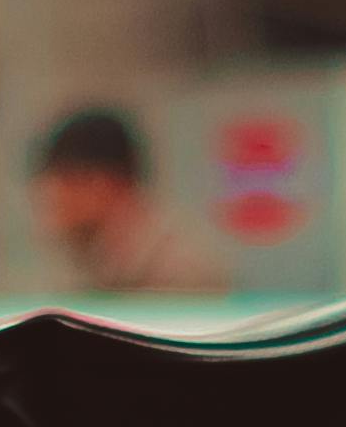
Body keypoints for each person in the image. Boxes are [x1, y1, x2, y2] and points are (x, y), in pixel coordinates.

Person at [28, 107, 218, 296]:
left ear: (112, 183)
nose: (50, 193)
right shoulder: (98, 260)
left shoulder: (178, 270)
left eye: (66, 178)